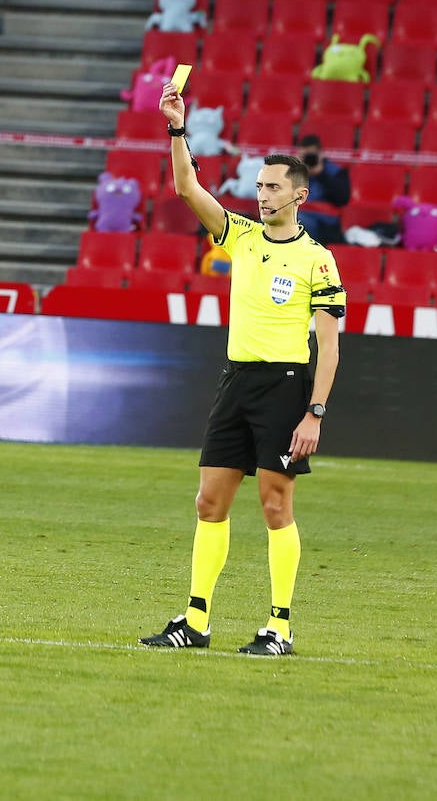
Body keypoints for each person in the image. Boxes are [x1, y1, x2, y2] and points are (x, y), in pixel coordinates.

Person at [140, 81, 345, 656]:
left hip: (284, 386)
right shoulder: (243, 236)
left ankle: (279, 626)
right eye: (258, 186)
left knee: (276, 505)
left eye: (273, 187)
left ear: (299, 196)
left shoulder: (318, 260)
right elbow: (187, 186)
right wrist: (178, 128)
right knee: (209, 501)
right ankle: (196, 621)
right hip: (236, 380)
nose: (261, 195)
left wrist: (315, 412)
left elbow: (328, 348)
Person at [295, 134, 351, 246]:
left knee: (294, 222)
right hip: (300, 214)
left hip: (324, 223)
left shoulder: (335, 172)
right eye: (305, 155)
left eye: (311, 155)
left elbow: (342, 199)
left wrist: (320, 174)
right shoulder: (296, 172)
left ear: (320, 154)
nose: (309, 159)